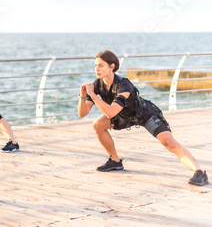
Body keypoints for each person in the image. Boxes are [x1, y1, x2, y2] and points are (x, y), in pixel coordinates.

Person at [78, 50, 208, 186]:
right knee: (97, 125)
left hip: (144, 114)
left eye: (101, 65)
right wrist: (83, 96)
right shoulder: (98, 84)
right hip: (122, 116)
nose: (97, 69)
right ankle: (115, 161)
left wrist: (93, 95)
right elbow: (82, 113)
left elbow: (110, 113)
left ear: (112, 66)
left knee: (169, 142)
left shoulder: (124, 85)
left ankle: (199, 172)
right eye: (95, 65)